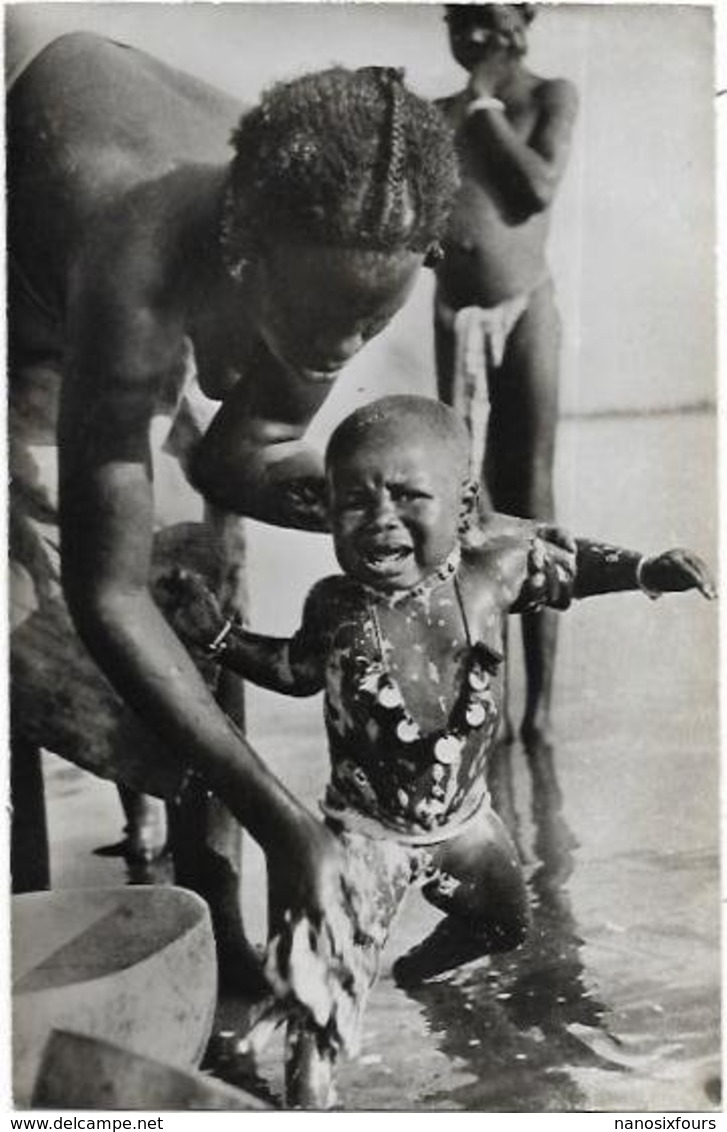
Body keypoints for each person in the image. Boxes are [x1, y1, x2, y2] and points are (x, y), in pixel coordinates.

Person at [7, 25, 464, 987]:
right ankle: (26, 950)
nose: (339, 349)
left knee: (196, 584)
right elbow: (107, 593)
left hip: (132, 224)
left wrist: (375, 511)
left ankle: (215, 930)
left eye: (370, 321)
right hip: (32, 243)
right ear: (247, 265)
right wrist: (283, 817)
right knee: (25, 606)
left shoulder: (339, 226)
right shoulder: (134, 251)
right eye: (322, 320)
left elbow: (233, 459)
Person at [157, 394, 715, 1107]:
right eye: (353, 503)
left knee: (506, 922)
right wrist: (217, 637)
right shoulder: (335, 606)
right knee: (320, 997)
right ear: (326, 513)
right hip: (366, 837)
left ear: (463, 508)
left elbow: (574, 568)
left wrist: (643, 571)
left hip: (468, 827)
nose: (381, 520)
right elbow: (293, 672)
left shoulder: (491, 574)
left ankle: (421, 971)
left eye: (407, 497)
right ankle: (305, 1107)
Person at [434, 3, 579, 755]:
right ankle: (484, 705)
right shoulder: (435, 114)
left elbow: (533, 190)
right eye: (458, 23)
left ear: (522, 19)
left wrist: (485, 99)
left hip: (526, 311)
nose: (472, 39)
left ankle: (541, 715)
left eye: (487, 20)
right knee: (467, 508)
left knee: (532, 493)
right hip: (453, 318)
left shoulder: (548, 94)